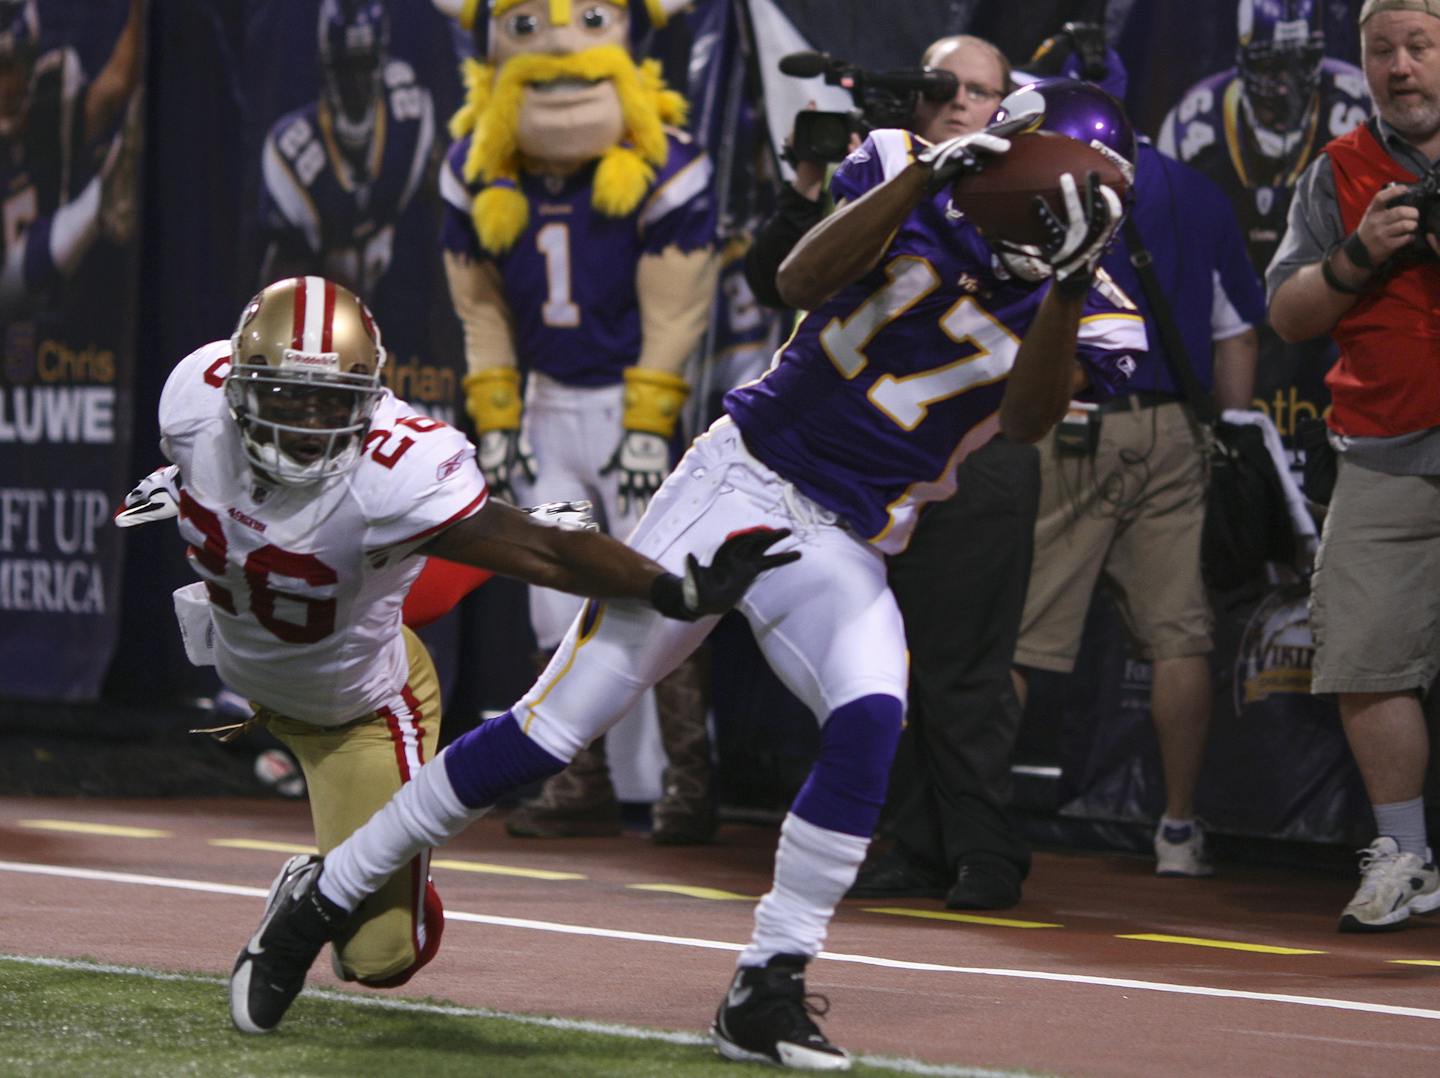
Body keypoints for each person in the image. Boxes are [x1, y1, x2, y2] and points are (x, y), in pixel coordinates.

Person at [226, 78, 1145, 1070]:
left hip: (848, 537)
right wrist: (927, 177)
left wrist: (1061, 279)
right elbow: (795, 281)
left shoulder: (1096, 306)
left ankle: (769, 980)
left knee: (874, 712)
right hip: (741, 478)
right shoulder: (908, 171)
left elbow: (1026, 423)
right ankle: (321, 895)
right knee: (553, 730)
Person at [131, 275, 790, 997]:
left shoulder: (394, 467)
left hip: (355, 706)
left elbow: (544, 557)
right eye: (284, 398)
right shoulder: (194, 402)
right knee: (342, 564)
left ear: (371, 400)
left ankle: (317, 884)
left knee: (382, 958)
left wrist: (668, 587)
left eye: (330, 403)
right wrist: (186, 487)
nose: (304, 425)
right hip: (256, 655)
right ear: (236, 389)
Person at [746, 34, 1041, 911]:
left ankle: (986, 851)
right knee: (883, 665)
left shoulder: (1027, 196)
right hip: (869, 467)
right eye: (943, 86)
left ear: (1010, 108)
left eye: (982, 92)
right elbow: (780, 279)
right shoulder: (881, 179)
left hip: (974, 456)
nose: (960, 104)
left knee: (967, 669)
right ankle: (913, 843)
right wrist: (811, 183)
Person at [439, 0, 721, 844]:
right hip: (547, 405)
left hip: (627, 410)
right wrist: (497, 411)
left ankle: (689, 781)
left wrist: (648, 417)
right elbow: (480, 307)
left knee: (660, 590)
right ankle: (578, 780)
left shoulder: (662, 161)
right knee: (548, 605)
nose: (560, 46)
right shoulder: (480, 164)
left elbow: (675, 309)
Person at [1010, 53, 1266, 879]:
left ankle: (965, 815)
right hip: (1171, 434)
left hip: (1073, 420)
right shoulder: (1194, 190)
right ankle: (1179, 831)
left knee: (1022, 638)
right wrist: (1226, 431)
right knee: (1180, 637)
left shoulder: (1048, 178)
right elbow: (1237, 330)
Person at [1265, 0, 1440, 931]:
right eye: (1382, 52)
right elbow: (1289, 316)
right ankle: (1405, 858)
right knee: (1368, 658)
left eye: (1419, 47)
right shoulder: (1337, 171)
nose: (1400, 68)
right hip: (1383, 454)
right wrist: (1358, 255)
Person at [258, 0, 435, 300]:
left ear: (380, 62)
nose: (356, 83)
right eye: (345, 67)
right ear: (326, 66)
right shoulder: (292, 154)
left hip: (400, 310)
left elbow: (437, 229)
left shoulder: (409, 119)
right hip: (321, 325)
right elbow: (280, 290)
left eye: (365, 65)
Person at [0, 0, 144, 320]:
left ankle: (102, 198)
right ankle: (100, 202)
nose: (4, 86)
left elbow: (114, 85)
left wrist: (141, 12)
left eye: (9, 66)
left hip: (66, 320)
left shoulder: (52, 104)